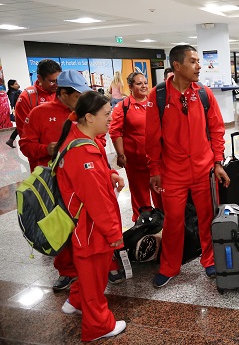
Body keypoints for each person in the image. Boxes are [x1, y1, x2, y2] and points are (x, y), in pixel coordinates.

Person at [20, 70, 123, 290]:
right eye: (77, 96)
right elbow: (25, 146)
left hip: (84, 180)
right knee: (67, 231)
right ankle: (70, 273)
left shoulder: (85, 119)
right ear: (63, 93)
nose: (81, 100)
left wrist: (107, 172)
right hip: (56, 187)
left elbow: (98, 147)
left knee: (88, 233)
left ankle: (99, 271)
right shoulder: (40, 113)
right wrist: (44, 149)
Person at [146, 45, 230, 288]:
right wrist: (154, 169)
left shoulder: (204, 93)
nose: (199, 66)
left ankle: (209, 260)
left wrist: (217, 162)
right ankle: (169, 267)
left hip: (204, 170)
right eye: (193, 61)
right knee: (173, 222)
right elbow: (152, 137)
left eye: (198, 61)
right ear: (177, 66)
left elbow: (217, 129)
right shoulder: (158, 95)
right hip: (173, 173)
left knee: (207, 218)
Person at [53, 91, 127, 341]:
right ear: (88, 116)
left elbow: (87, 181)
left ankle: (74, 301)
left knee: (87, 272)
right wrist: (115, 235)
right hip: (90, 228)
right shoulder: (83, 152)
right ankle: (99, 326)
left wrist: (109, 176)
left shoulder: (78, 137)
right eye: (107, 114)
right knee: (94, 279)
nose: (110, 119)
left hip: (82, 225)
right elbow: (97, 202)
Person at [109, 72, 162, 222]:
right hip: (136, 161)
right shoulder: (123, 106)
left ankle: (163, 220)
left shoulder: (154, 103)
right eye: (139, 83)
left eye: (145, 83)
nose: (144, 86)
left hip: (157, 160)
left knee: (160, 192)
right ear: (131, 87)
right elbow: (115, 132)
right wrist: (121, 154)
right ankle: (143, 222)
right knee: (140, 195)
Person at [15, 59, 62, 141]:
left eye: (58, 81)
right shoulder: (26, 97)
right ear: (39, 78)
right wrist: (44, 150)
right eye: (52, 81)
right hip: (42, 150)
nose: (56, 85)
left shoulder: (63, 93)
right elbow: (24, 133)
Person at [5, 80, 21, 148]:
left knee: (21, 126)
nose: (18, 85)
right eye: (16, 84)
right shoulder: (14, 93)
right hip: (20, 111)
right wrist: (14, 111)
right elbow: (12, 103)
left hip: (20, 111)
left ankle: (10, 140)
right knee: (22, 126)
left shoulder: (15, 92)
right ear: (11, 86)